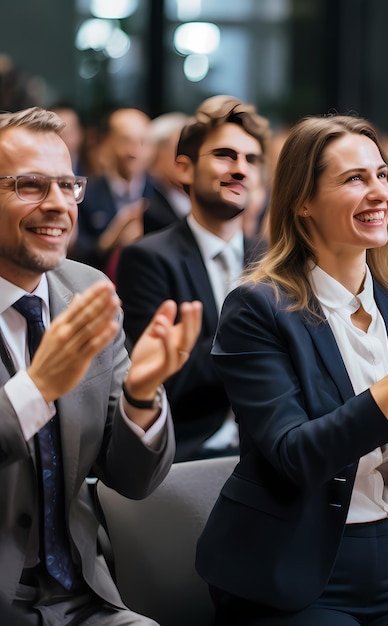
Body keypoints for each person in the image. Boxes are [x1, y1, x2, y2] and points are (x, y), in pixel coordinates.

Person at [195, 113, 388, 625]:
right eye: (354, 179)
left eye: (381, 175)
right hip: (289, 570)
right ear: (303, 202)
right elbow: (296, 457)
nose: (378, 192)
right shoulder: (258, 308)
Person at [0, 107, 202, 624]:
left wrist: (141, 394)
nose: (59, 205)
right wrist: (36, 388)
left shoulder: (87, 290)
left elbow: (133, 481)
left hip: (85, 597)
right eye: (30, 186)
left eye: (68, 186)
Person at [116, 95, 269, 462]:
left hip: (268, 446)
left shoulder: (270, 259)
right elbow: (159, 380)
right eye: (225, 155)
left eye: (252, 159)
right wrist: (255, 337)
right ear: (184, 169)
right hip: (190, 450)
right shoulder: (149, 258)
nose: (241, 169)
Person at [69, 107, 154, 274]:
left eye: (143, 142)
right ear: (107, 143)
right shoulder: (83, 194)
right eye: (126, 141)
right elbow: (73, 256)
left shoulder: (161, 197)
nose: (134, 152)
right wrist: (109, 241)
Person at [142, 111, 192, 235]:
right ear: (156, 153)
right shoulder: (146, 206)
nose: (189, 158)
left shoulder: (203, 201)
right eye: (181, 149)